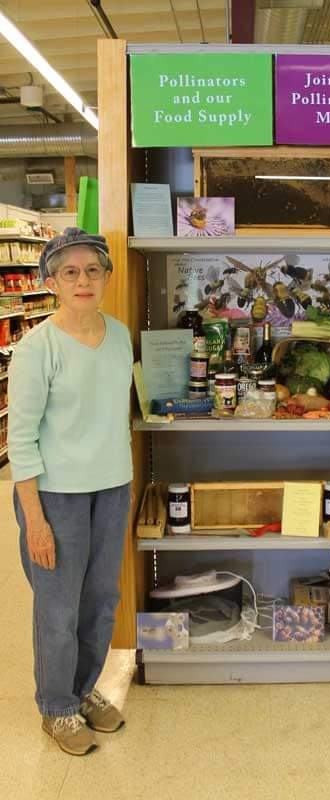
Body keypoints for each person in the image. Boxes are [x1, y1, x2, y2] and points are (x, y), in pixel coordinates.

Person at [8, 228, 133, 756]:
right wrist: (35, 520)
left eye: (92, 271)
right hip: (56, 496)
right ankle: (55, 706)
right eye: (70, 272)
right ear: (51, 282)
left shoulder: (120, 335)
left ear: (106, 277)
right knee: (58, 607)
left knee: (102, 600)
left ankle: (83, 692)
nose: (83, 281)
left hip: (112, 488)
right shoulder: (37, 348)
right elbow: (20, 438)